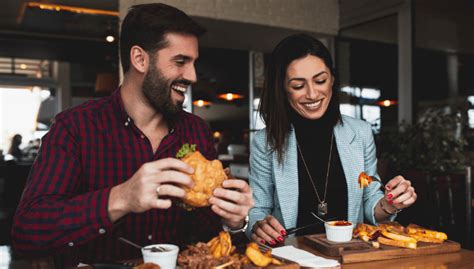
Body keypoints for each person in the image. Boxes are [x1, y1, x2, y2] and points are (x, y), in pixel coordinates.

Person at [12, 3, 253, 264]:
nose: (193, 75)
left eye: (194, 63)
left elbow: (208, 234)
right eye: (181, 62)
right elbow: (28, 230)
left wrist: (234, 221)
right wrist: (120, 198)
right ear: (139, 59)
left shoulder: (196, 131)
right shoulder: (75, 127)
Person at [246, 34, 417, 245]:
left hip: (349, 257)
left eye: (320, 81)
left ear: (332, 80)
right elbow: (257, 210)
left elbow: (369, 199)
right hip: (292, 258)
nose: (312, 93)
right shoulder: (265, 142)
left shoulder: (360, 132)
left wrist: (391, 204)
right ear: (282, 88)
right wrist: (258, 226)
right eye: (298, 86)